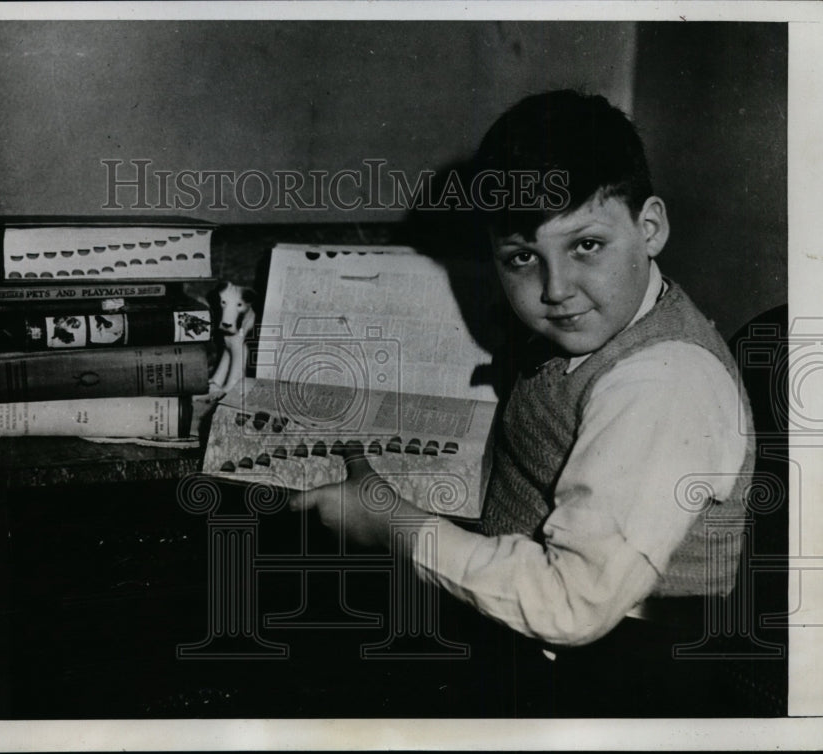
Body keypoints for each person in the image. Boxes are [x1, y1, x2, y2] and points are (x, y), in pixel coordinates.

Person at [290, 90, 755, 716]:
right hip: (535, 635)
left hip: (624, 683)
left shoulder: (665, 384)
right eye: (521, 258)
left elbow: (571, 607)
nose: (556, 290)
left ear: (650, 227)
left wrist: (390, 522)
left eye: (586, 245)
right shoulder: (606, 326)